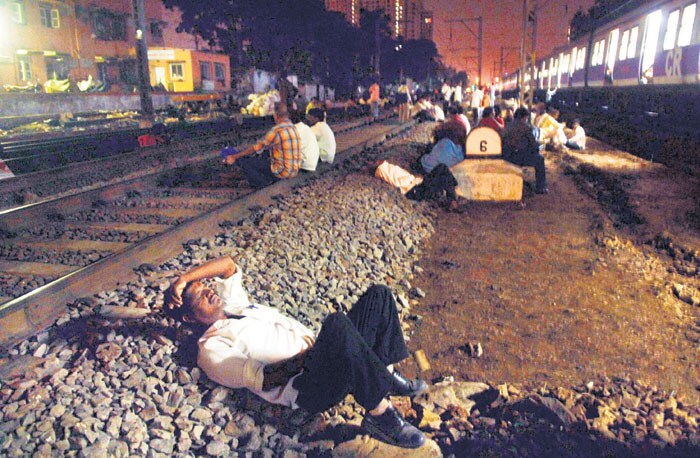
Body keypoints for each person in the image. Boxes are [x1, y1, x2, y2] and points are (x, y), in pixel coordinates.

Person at [163, 256, 428, 449]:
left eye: (205, 286)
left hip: (322, 360)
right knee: (337, 325)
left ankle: (385, 375)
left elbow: (229, 265)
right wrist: (317, 354)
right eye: (199, 297)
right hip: (309, 388)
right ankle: (380, 414)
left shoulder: (236, 306)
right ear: (188, 318)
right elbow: (264, 378)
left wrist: (186, 278)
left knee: (378, 296)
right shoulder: (211, 349)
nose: (209, 292)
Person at [223, 103, 301, 188]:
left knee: (244, 161)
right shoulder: (294, 129)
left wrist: (235, 156)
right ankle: (266, 178)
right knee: (265, 155)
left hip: (282, 172)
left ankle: (261, 183)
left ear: (275, 115)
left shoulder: (277, 131)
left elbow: (255, 148)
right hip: (293, 171)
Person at [502, 107, 548, 194]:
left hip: (506, 157)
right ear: (523, 117)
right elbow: (533, 145)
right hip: (519, 157)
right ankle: (541, 187)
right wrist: (539, 147)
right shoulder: (526, 128)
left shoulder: (507, 126)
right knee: (540, 159)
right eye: (526, 118)